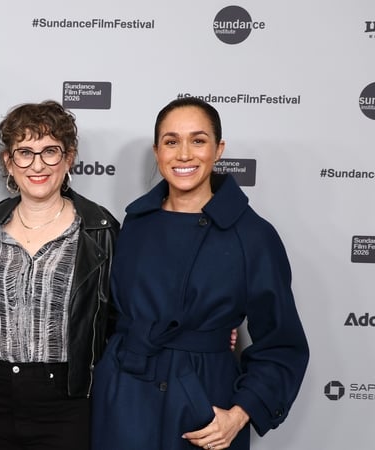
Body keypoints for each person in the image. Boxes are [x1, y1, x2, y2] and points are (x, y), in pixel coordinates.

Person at [91, 97, 309, 450]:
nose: (184, 155)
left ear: (219, 149)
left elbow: (283, 344)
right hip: (124, 398)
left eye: (198, 140)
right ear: (157, 151)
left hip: (203, 405)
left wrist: (239, 414)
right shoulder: (134, 223)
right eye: (171, 141)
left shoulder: (253, 236)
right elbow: (111, 315)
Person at [0, 100, 120, 450]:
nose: (37, 165)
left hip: (65, 400)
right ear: (8, 161)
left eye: (50, 151)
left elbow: (124, 314)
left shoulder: (99, 229)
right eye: (24, 152)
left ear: (70, 158)